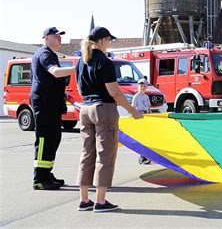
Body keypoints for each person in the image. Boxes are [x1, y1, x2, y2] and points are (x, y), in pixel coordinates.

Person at [76, 27, 143, 212]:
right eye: (109, 40)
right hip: (103, 110)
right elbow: (114, 92)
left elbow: (80, 89)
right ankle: (101, 201)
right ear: (103, 40)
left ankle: (84, 200)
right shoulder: (105, 62)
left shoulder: (81, 61)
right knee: (105, 156)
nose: (110, 43)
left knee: (87, 155)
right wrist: (132, 110)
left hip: (85, 109)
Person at [31, 27, 76, 190]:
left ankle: (47, 173)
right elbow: (55, 73)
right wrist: (77, 68)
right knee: (45, 139)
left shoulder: (51, 55)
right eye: (56, 36)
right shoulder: (44, 54)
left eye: (60, 37)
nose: (60, 39)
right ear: (46, 38)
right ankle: (39, 179)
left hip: (52, 103)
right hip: (44, 104)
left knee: (53, 138)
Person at [132, 78, 152, 165]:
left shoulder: (146, 97)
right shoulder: (136, 96)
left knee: (147, 138)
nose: (142, 87)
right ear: (138, 86)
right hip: (139, 117)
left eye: (144, 86)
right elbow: (133, 108)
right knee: (141, 138)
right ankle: (141, 157)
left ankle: (146, 156)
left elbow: (148, 108)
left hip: (146, 118)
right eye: (141, 86)